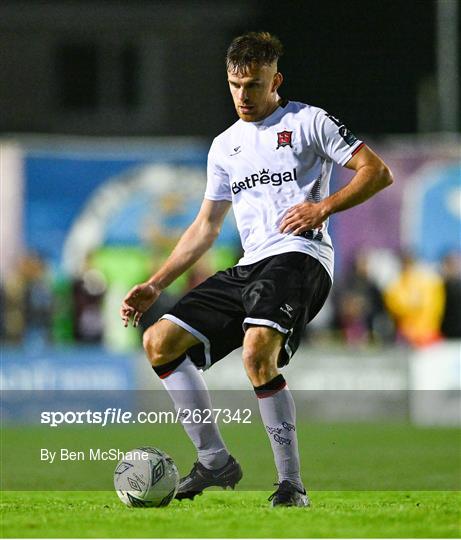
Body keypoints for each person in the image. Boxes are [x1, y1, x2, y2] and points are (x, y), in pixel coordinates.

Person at [120, 31, 393, 507]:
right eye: (234, 85)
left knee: (256, 351)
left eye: (253, 84)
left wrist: (323, 207)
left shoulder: (309, 122)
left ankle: (291, 485)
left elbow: (376, 170)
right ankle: (213, 460)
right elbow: (206, 225)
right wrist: (155, 283)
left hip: (300, 258)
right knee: (158, 341)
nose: (242, 96)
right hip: (250, 266)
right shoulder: (225, 146)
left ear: (275, 80)